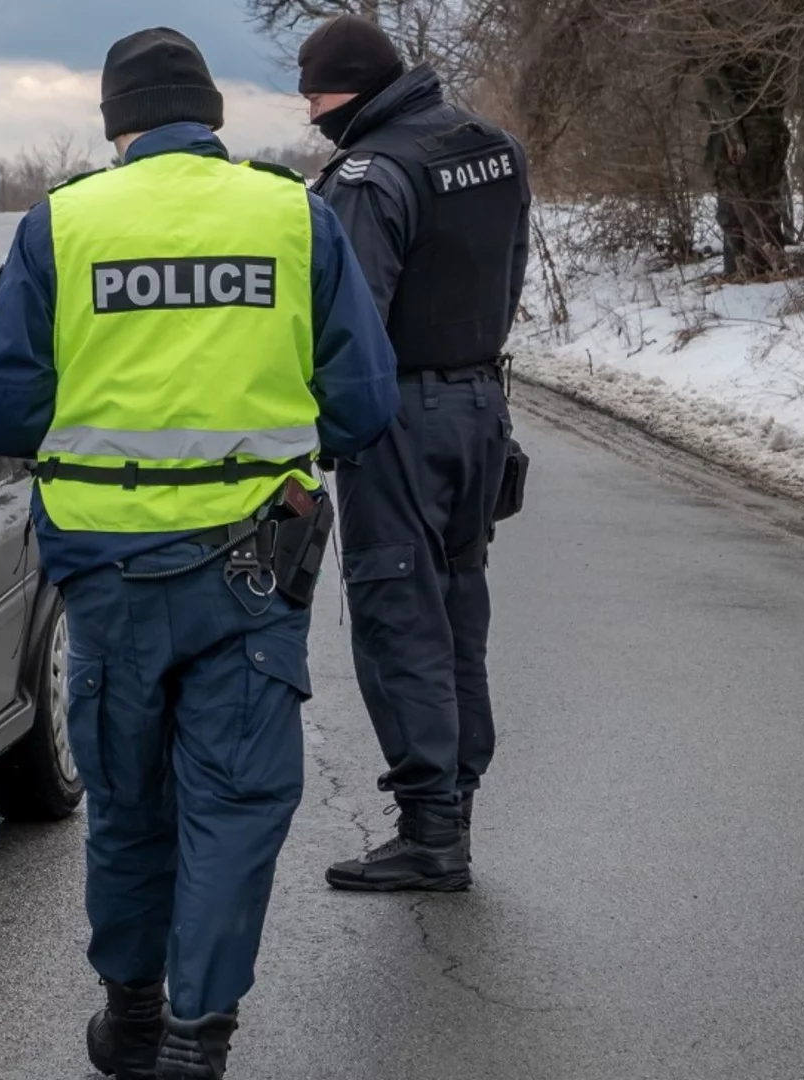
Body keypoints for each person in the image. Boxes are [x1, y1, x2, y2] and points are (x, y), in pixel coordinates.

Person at [0, 27, 396, 1079]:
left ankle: (133, 1012)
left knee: (126, 799)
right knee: (237, 803)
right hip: (253, 569)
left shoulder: (61, 224)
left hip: (108, 576)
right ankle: (199, 1040)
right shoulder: (291, 215)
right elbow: (364, 404)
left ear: (117, 126)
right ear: (211, 117)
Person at [300, 15, 532, 893]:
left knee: (400, 614)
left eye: (313, 92)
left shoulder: (370, 172)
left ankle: (431, 832)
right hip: (479, 406)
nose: (309, 109)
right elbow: (508, 274)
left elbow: (348, 325)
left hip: (398, 414)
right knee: (458, 604)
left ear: (346, 88)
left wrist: (328, 430)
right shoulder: (494, 148)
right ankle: (455, 805)